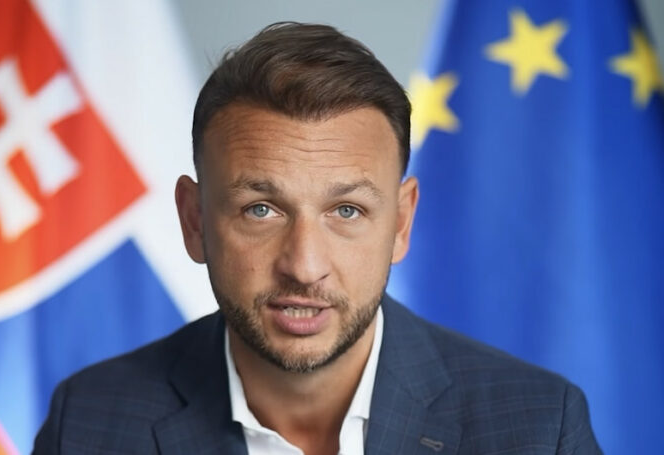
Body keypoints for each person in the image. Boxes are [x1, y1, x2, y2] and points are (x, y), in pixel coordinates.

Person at [33, 22, 602, 455]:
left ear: (401, 224)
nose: (304, 267)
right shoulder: (88, 423)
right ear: (195, 221)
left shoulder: (538, 429)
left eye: (346, 211)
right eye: (261, 210)